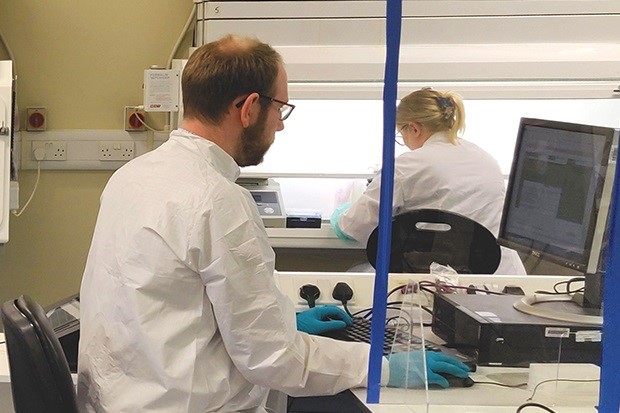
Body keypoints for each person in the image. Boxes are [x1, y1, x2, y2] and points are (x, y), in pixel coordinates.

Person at [77, 35, 470, 413]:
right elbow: (272, 359)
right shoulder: (217, 200)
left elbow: (169, 305)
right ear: (248, 108)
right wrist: (382, 367)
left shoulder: (132, 176)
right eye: (281, 108)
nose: (280, 125)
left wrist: (286, 323)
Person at [331, 88, 526, 275]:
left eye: (402, 134)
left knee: (356, 278)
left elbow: (356, 226)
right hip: (500, 277)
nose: (404, 141)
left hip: (435, 278)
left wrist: (339, 216)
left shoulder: (408, 165)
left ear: (414, 128)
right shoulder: (486, 159)